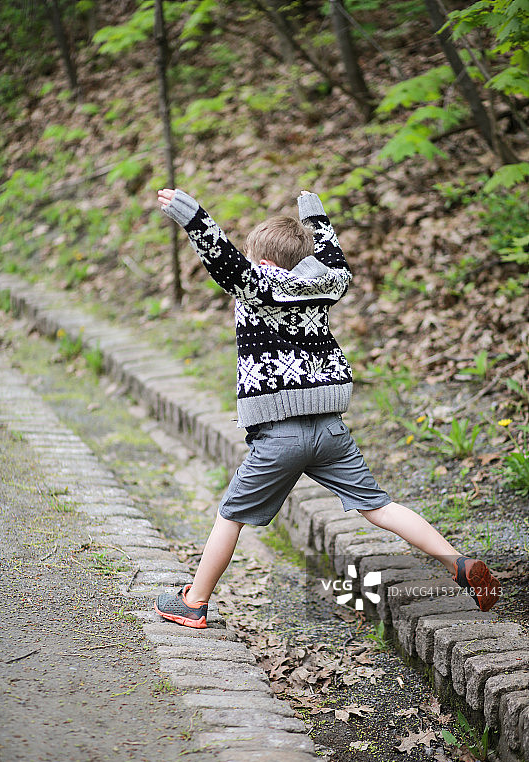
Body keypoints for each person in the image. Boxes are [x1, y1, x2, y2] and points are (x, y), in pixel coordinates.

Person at [154, 187, 501, 629]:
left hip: (279, 435)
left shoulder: (256, 288)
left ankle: (195, 601)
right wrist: (317, 220)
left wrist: (194, 218)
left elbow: (224, 259)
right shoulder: (326, 286)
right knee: (378, 507)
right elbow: (335, 261)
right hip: (330, 431)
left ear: (261, 263)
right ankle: (458, 562)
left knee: (231, 515)